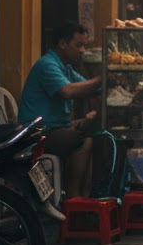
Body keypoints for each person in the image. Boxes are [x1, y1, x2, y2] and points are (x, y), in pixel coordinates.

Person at [18, 22, 102, 200]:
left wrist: (111, 83)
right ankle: (74, 198)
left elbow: (88, 88)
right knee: (83, 140)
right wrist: (102, 78)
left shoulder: (66, 68)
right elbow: (68, 91)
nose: (82, 50)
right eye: (78, 45)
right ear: (62, 44)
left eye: (84, 45)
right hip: (37, 133)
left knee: (97, 130)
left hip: (57, 127)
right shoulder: (47, 65)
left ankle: (88, 197)